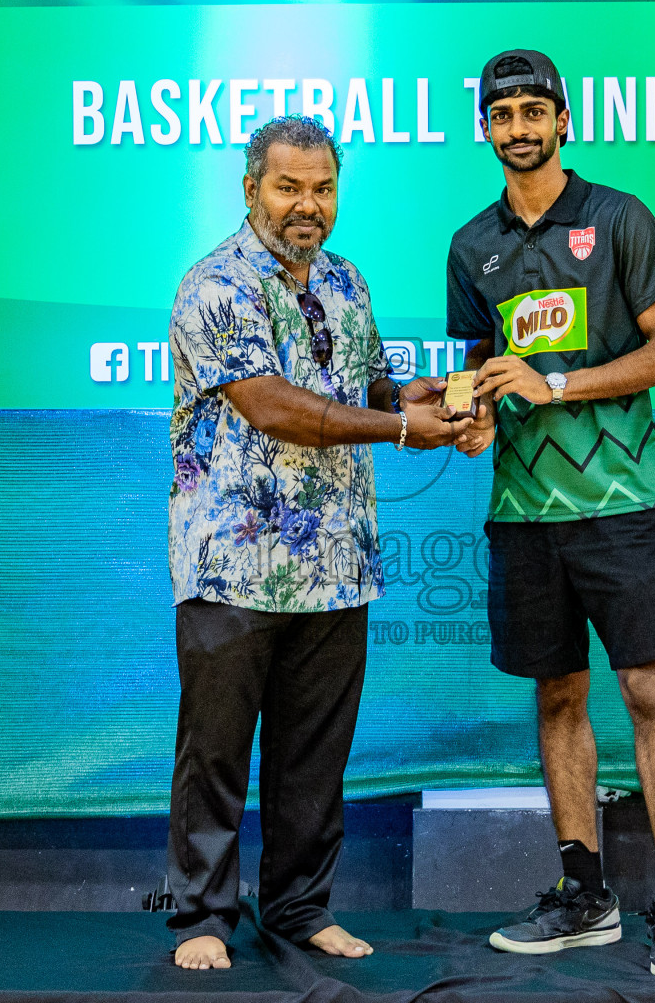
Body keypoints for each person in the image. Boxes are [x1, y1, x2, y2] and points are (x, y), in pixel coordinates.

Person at [166, 115, 468, 970]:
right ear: (252, 187)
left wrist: (434, 399)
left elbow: (368, 384)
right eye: (289, 186)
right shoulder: (215, 284)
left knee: (313, 757)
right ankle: (202, 918)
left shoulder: (344, 279)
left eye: (323, 188)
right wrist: (403, 431)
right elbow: (275, 408)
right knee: (216, 754)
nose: (309, 205)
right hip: (233, 562)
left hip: (337, 564)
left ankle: (299, 909)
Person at [444, 50, 655, 977]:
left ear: (564, 122)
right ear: (485, 129)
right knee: (557, 696)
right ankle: (584, 894)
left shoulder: (618, 218)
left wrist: (554, 384)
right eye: (501, 115)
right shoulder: (471, 243)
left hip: (620, 501)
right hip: (523, 509)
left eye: (534, 112)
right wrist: (474, 411)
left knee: (647, 693)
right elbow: (484, 364)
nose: (518, 128)